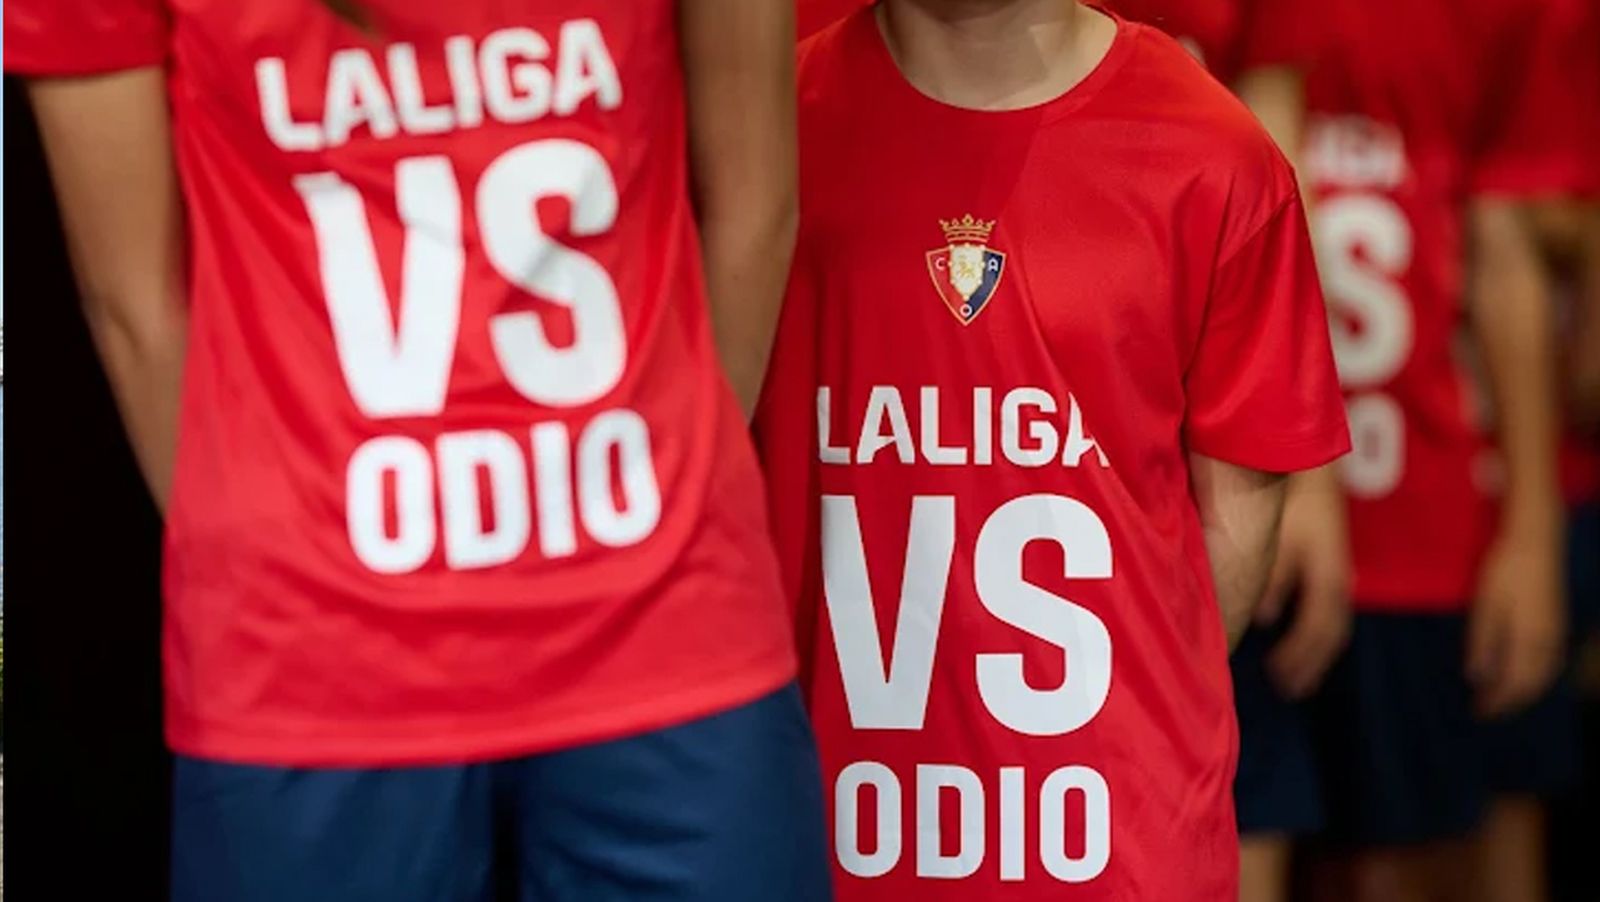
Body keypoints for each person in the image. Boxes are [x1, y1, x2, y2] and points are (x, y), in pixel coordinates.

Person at [3, 1, 831, 900]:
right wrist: (282, 560)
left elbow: (753, 200)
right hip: (314, 666)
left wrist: (678, 485)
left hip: (671, 630)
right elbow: (133, 303)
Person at [755, 1, 1350, 898]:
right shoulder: (769, 146)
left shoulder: (1214, 156)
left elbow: (1228, 540)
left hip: (1116, 845)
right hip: (823, 830)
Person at [1287, 1, 1582, 899]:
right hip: (1230, 514)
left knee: (1417, 856)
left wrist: (1532, 537)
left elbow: (1507, 252)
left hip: (1421, 514)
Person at [1106, 3, 1351, 900]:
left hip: (1174, 438)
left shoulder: (1215, 132)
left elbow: (1270, 140)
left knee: (1229, 799)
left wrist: (1312, 482)